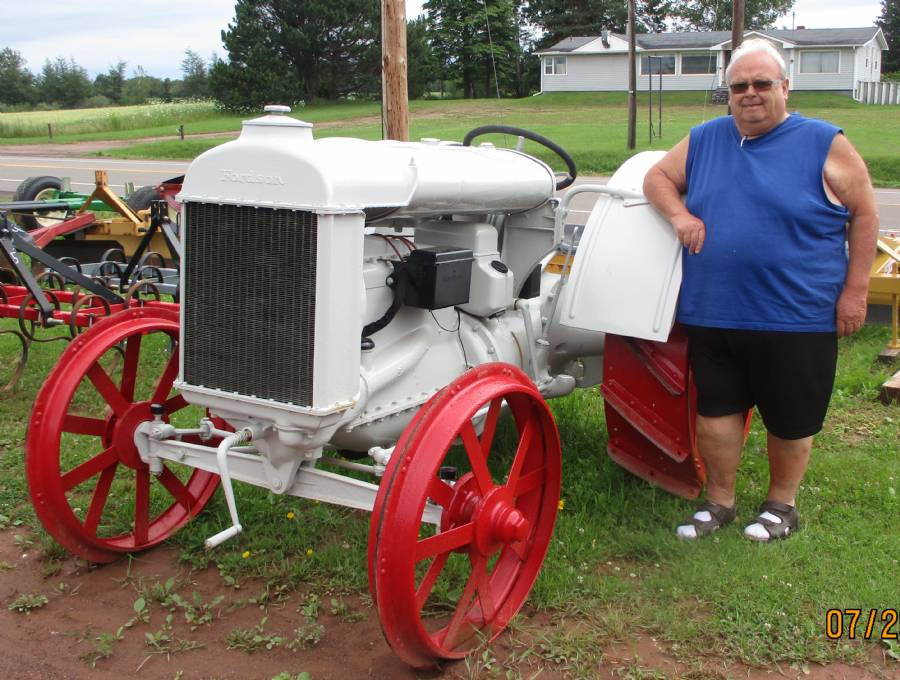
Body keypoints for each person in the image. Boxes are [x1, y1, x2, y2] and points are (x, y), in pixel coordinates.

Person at [642, 38, 879, 541]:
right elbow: (658, 176)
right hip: (715, 310)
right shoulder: (705, 139)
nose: (749, 94)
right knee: (716, 412)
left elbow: (865, 214)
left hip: (798, 314)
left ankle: (781, 505)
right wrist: (680, 215)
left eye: (761, 84)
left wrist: (855, 291)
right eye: (738, 86)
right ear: (728, 94)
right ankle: (720, 502)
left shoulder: (823, 141)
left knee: (790, 417)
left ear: (785, 88)